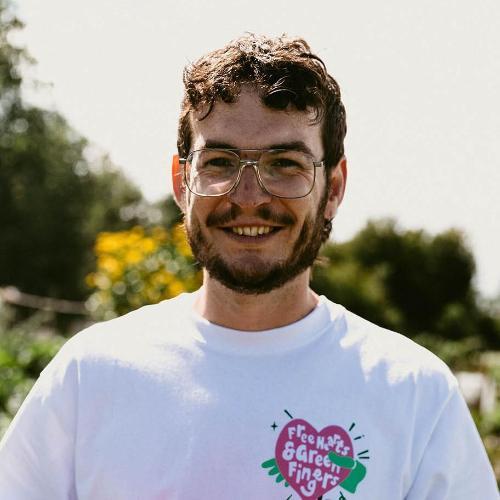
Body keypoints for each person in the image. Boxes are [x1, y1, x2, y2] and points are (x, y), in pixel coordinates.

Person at [0, 34, 497, 500]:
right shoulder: (91, 376)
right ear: (181, 182)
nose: (250, 197)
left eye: (286, 164)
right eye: (219, 161)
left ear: (335, 189)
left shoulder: (416, 396)